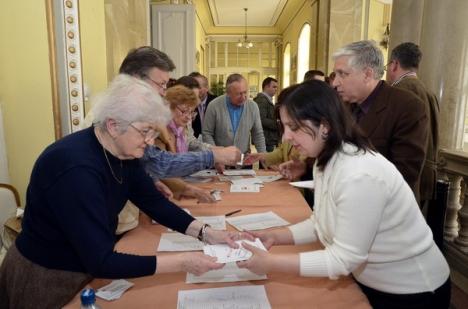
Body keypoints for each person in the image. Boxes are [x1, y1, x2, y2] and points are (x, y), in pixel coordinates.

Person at [0, 75, 250, 308]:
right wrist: (183, 262)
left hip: (83, 265)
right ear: (113, 125)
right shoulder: (76, 168)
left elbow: (153, 202)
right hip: (48, 275)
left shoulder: (124, 151)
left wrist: (206, 234)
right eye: (145, 131)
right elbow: (101, 261)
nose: (151, 141)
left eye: (155, 131)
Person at [237, 80, 451, 309]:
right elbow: (321, 222)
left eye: (294, 127)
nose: (286, 137)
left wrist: (271, 263)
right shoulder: (325, 159)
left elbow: (342, 259)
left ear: (325, 126)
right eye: (284, 127)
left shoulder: (359, 174)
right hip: (375, 282)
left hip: (412, 290)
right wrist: (276, 237)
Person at [331, 40, 428, 201]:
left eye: (343, 74)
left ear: (367, 74)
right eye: (335, 75)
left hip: (382, 213)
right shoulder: (344, 105)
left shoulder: (407, 106)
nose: (335, 83)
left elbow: (403, 173)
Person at [387, 42, 439, 206]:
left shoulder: (396, 92)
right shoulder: (428, 92)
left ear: (394, 64)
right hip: (425, 175)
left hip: (404, 178)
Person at [155, 84, 215, 203]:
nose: (188, 117)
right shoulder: (158, 133)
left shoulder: (180, 130)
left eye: (191, 112)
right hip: (161, 196)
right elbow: (161, 171)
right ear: (168, 107)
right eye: (184, 111)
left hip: (175, 193)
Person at [203, 73, 266, 154]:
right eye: (239, 94)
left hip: (244, 160)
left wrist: (264, 157)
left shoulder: (253, 107)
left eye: (245, 92)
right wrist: (216, 154)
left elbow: (258, 134)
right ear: (228, 93)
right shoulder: (214, 106)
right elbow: (207, 133)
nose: (243, 97)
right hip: (220, 160)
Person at [253, 77, 279, 152]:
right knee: (267, 162)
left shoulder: (267, 100)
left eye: (276, 87)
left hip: (269, 138)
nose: (276, 89)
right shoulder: (262, 100)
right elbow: (261, 119)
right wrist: (277, 124)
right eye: (274, 87)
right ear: (266, 87)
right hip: (266, 139)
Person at [188, 72, 217, 138]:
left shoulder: (216, 102)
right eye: (192, 87)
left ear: (207, 88)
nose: (195, 90)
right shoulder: (188, 104)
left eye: (198, 87)